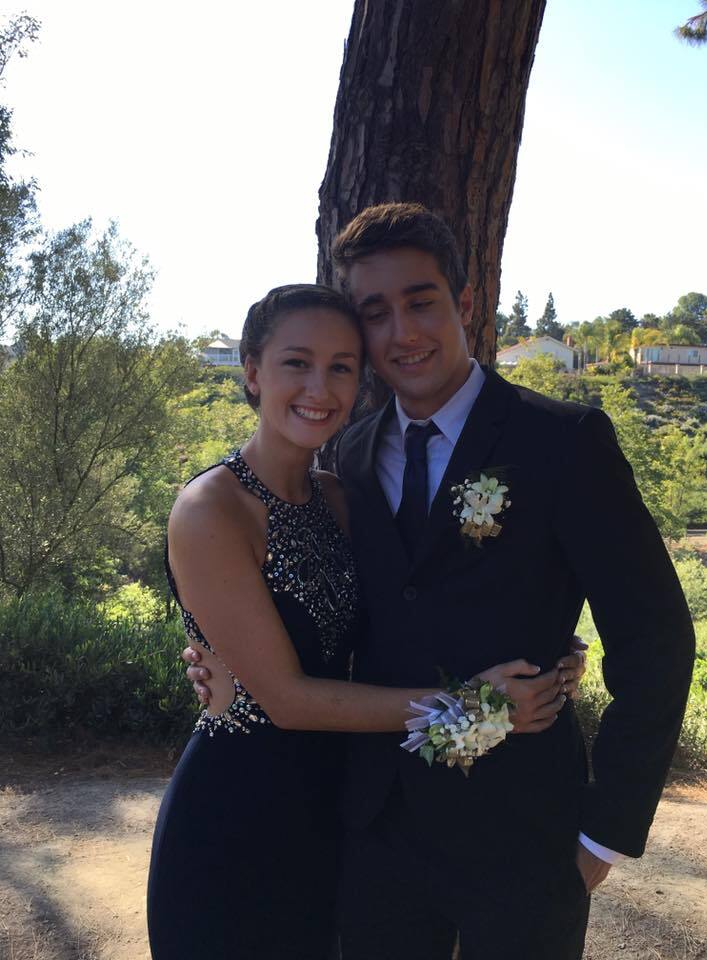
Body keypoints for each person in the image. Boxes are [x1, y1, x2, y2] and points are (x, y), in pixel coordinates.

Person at [186, 204, 694, 960]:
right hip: (374, 837)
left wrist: (602, 837)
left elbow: (655, 641)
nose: (403, 332)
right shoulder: (348, 459)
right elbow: (312, 609)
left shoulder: (563, 441)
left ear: (465, 303)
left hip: (528, 838)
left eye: (420, 301)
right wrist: (215, 654)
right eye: (376, 313)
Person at [147, 282, 585, 960]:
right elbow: (287, 700)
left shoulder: (340, 495)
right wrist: (471, 710)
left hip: (343, 809)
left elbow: (415, 611)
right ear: (253, 371)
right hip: (237, 813)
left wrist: (547, 642)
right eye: (297, 362)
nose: (320, 386)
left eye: (342, 366)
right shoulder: (212, 509)